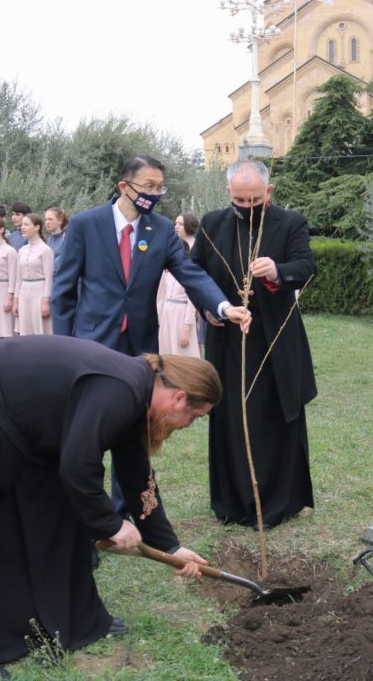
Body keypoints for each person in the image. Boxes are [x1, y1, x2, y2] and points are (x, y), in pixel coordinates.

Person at [0, 336, 216, 676]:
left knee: (59, 520)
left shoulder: (137, 400)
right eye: (194, 418)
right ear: (178, 398)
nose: (186, 427)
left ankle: (78, 621)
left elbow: (138, 477)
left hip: (28, 428)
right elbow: (78, 466)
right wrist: (110, 524)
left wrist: (170, 547)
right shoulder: (121, 390)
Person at [52, 154, 249, 521]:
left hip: (140, 349)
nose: (156, 194)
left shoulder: (159, 230)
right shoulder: (84, 224)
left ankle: (126, 511)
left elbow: (190, 273)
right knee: (88, 430)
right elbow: (63, 291)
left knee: (134, 429)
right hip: (90, 346)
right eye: (149, 187)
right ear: (124, 186)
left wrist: (223, 308)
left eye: (160, 187)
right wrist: (63, 348)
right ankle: (87, 514)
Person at [192, 159, 316, 528]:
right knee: (229, 413)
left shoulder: (290, 223)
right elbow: (194, 271)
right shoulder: (212, 224)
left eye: (254, 200)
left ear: (269, 192)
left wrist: (278, 271)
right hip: (227, 337)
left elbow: (306, 266)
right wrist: (211, 308)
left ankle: (277, 501)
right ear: (228, 193)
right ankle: (231, 501)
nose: (247, 207)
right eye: (240, 201)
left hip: (273, 339)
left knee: (272, 415)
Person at [157, 213, 201, 357]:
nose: (176, 227)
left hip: (186, 309)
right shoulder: (172, 248)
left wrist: (188, 323)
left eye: (181, 224)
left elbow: (195, 289)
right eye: (175, 223)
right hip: (168, 311)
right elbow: (162, 290)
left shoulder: (197, 249)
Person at [14, 213, 54, 336]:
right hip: (24, 292)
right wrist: (16, 300)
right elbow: (18, 277)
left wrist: (45, 300)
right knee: (25, 329)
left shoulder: (45, 250)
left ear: (36, 227)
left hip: (39, 291)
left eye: (26, 224)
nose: (22, 227)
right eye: (22, 225)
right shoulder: (22, 250)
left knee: (39, 329)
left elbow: (49, 278)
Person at [44, 206, 69, 271]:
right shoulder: (49, 239)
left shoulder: (66, 239)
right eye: (45, 219)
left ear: (60, 221)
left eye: (50, 219)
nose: (47, 222)